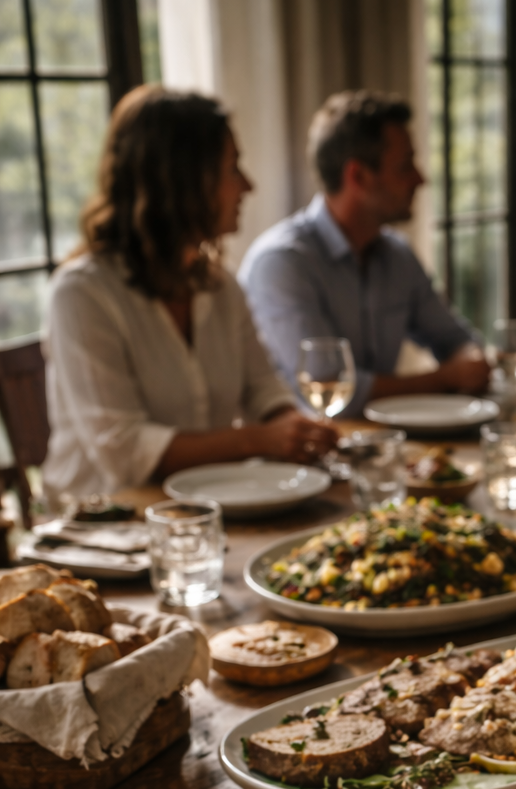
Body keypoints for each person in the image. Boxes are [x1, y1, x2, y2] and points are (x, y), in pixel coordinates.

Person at [41, 86, 337, 503]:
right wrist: (259, 441)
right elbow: (124, 454)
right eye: (233, 169)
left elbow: (261, 387)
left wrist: (292, 426)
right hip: (104, 531)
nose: (248, 186)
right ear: (180, 180)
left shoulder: (220, 286)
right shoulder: (82, 294)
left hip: (205, 511)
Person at [238, 90, 487, 416]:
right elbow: (331, 389)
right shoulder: (282, 263)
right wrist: (445, 378)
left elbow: (456, 339)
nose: (420, 179)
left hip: (388, 446)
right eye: (404, 166)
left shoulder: (398, 255)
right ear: (358, 176)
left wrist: (471, 361)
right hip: (308, 455)